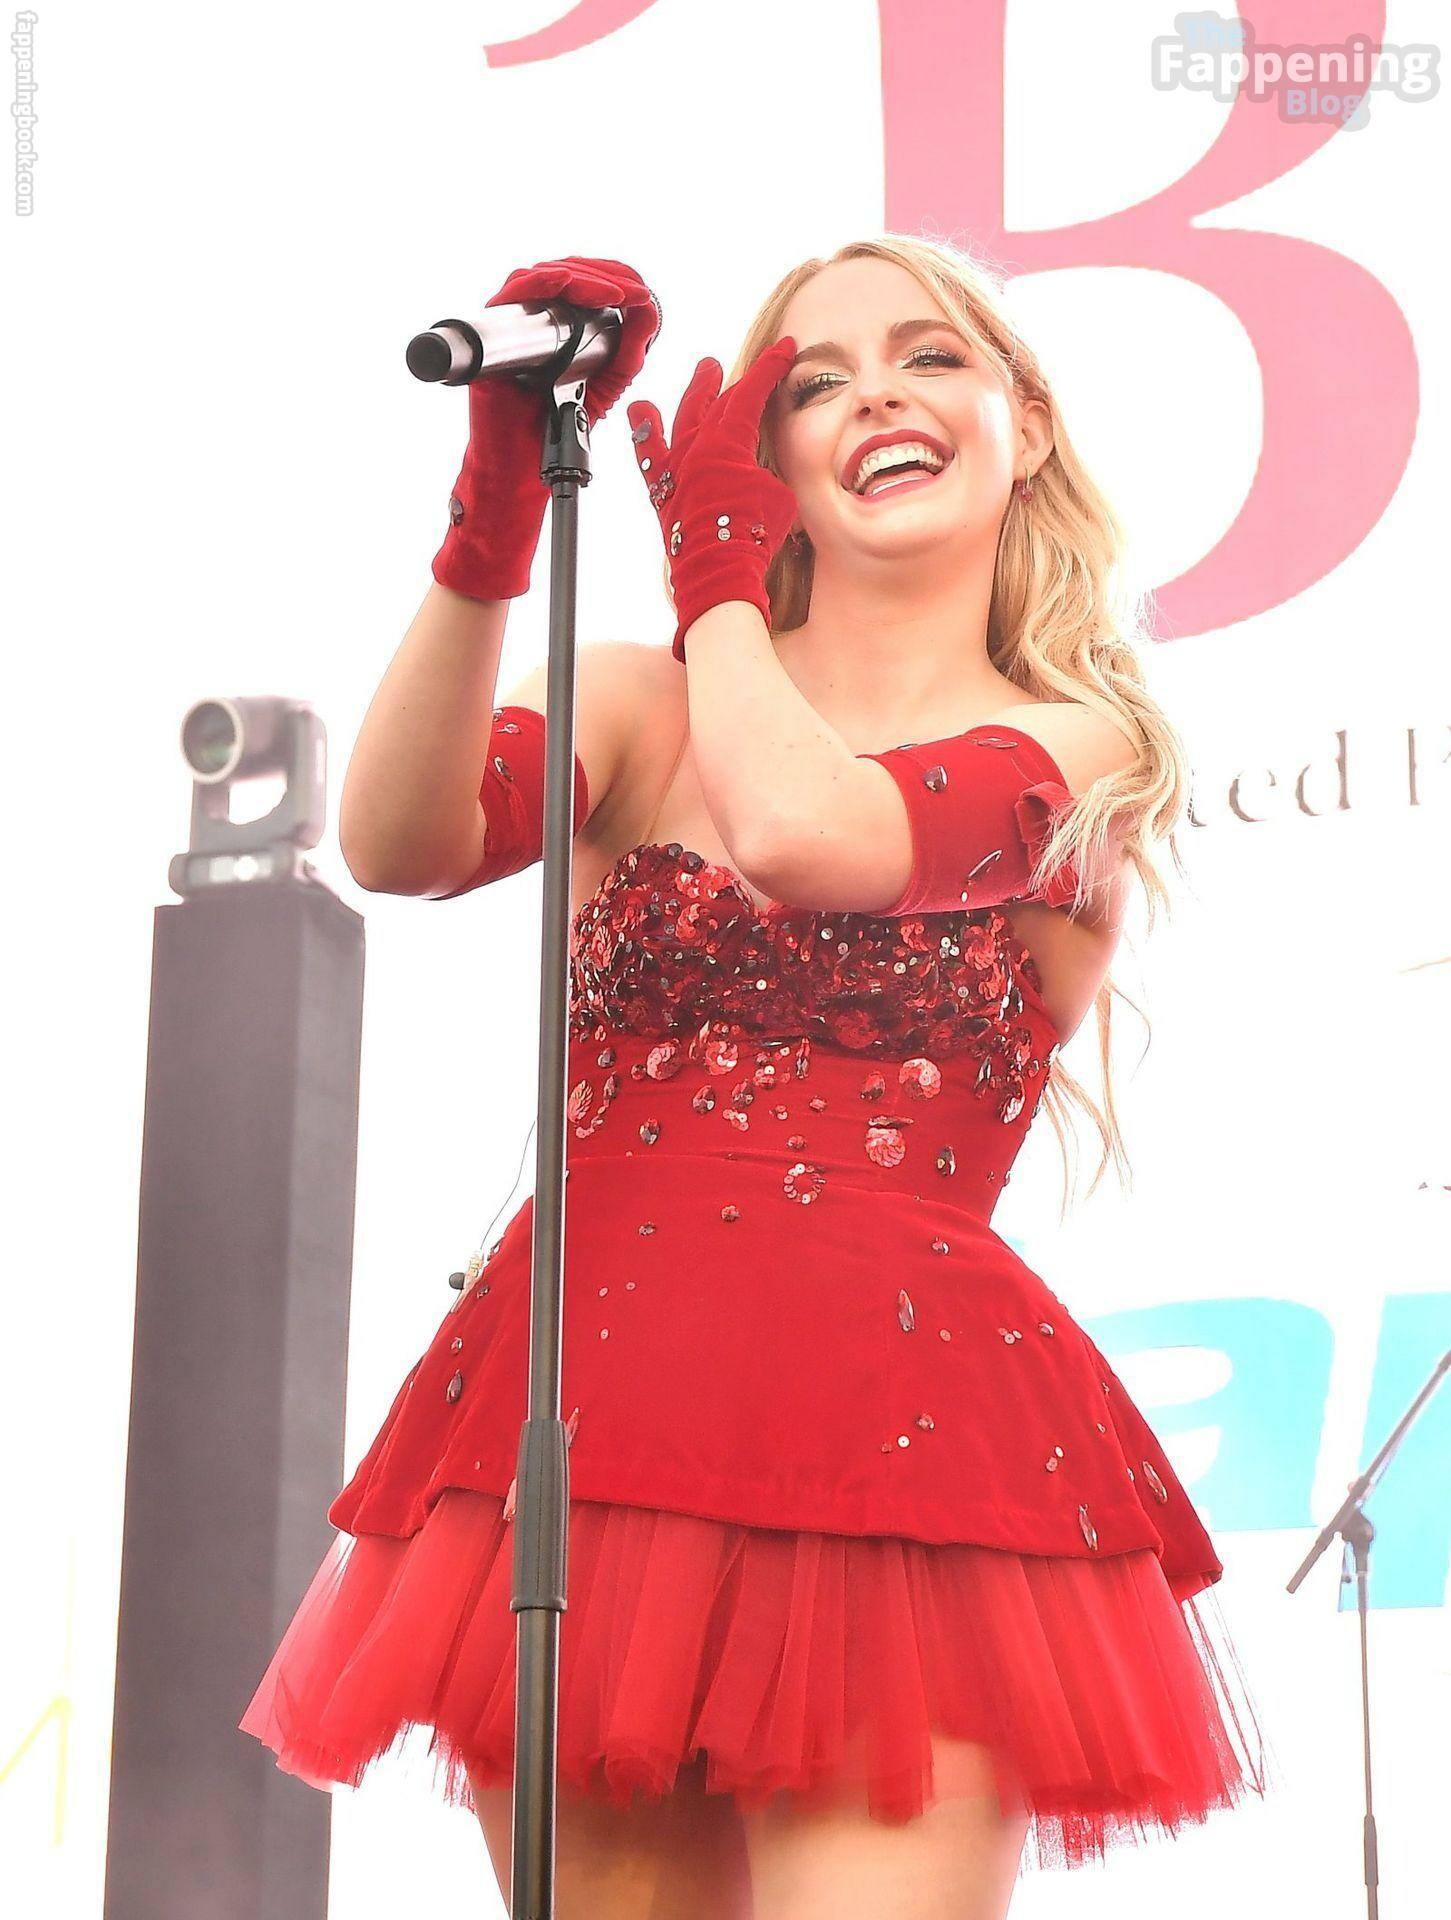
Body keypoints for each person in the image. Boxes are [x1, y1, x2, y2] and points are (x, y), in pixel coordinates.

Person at [239, 239, 1272, 1918]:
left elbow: (809, 835)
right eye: (813, 381)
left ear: (1023, 422)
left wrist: (717, 584)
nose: (874, 395)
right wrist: (490, 533)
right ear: (767, 453)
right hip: (591, 1423)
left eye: (928, 357)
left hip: (908, 1474)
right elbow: (397, 843)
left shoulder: (1093, 751)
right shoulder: (634, 704)